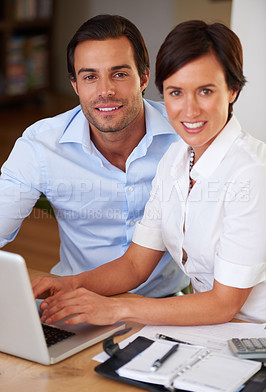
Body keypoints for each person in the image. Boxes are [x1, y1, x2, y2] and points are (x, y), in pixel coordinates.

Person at [33, 20, 266, 326]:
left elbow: (223, 304)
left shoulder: (252, 173)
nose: (190, 110)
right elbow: (135, 264)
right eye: (176, 93)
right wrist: (70, 285)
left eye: (205, 91)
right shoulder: (175, 159)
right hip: (212, 330)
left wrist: (118, 309)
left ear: (233, 90)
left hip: (251, 336)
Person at [0, 15, 189, 297]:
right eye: (90, 77)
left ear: (144, 78)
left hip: (164, 307)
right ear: (75, 85)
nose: (105, 91)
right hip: (73, 299)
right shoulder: (41, 145)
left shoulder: (185, 136)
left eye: (119, 74)